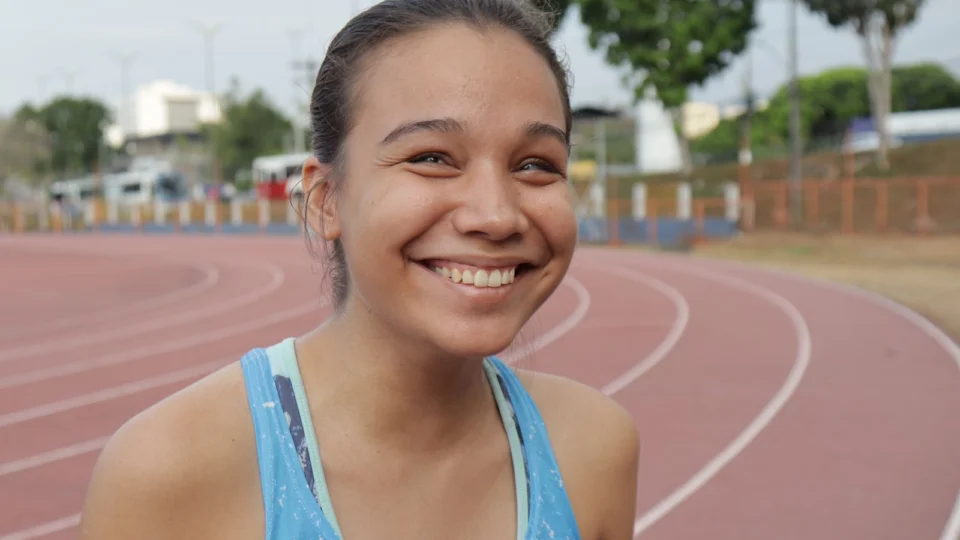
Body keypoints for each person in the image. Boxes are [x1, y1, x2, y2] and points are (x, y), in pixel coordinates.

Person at [78, 1, 640, 538]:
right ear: (326, 200)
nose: (495, 215)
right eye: (431, 158)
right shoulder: (168, 472)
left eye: (537, 164)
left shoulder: (592, 449)